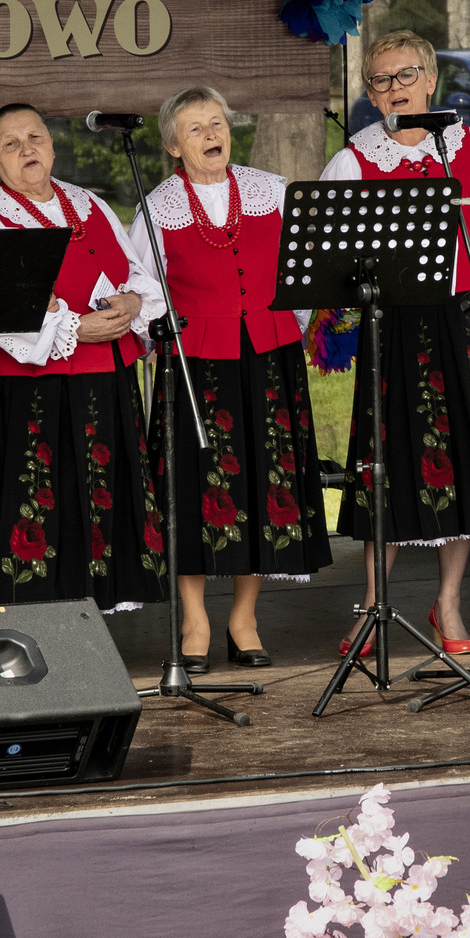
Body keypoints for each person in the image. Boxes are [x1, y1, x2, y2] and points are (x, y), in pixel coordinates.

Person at [322, 29, 470, 656]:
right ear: (370, 94)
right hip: (395, 328)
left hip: (466, 319)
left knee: (466, 463)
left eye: (406, 75)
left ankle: (448, 603)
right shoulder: (352, 161)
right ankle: (373, 604)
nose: (395, 87)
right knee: (390, 464)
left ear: (430, 80)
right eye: (381, 79)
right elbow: (330, 258)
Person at [129, 86, 332, 670]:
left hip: (268, 356)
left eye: (216, 123)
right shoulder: (158, 208)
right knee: (194, 486)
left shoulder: (272, 191)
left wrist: (286, 326)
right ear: (173, 146)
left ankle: (244, 618)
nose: (211, 135)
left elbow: (304, 270)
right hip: (196, 361)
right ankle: (194, 619)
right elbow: (141, 288)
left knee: (263, 484)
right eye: (194, 129)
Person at [0, 103, 166, 612]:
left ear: (52, 146)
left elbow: (137, 273)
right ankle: (33, 624)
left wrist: (133, 302)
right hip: (34, 392)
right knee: (40, 502)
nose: (27, 149)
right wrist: (77, 326)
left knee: (101, 496)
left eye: (35, 137)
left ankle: (96, 613)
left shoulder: (88, 203)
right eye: (11, 144)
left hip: (106, 382)